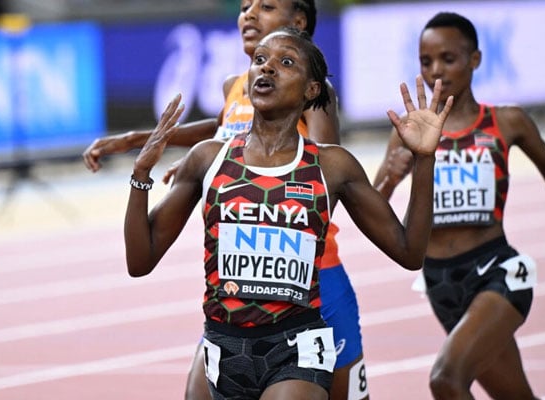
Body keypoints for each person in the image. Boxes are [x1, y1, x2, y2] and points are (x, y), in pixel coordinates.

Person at [124, 27, 452, 399]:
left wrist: (424, 159)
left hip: (297, 347)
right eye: (259, 60)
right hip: (224, 348)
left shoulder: (332, 166)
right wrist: (140, 176)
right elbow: (140, 260)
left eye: (285, 63)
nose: (266, 69)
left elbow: (409, 252)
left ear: (312, 89)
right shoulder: (208, 158)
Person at [83, 2, 368, 399]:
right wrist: (143, 141)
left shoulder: (312, 95)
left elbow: (324, 168)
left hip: (314, 274)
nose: (249, 15)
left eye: (265, 6)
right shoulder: (236, 85)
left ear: (298, 22)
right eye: (243, 7)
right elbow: (222, 134)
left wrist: (263, 188)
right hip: (240, 292)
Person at [373, 12, 545, 400]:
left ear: (475, 60)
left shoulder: (507, 121)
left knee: (446, 379)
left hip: (497, 272)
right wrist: (391, 176)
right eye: (426, 61)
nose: (436, 70)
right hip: (440, 283)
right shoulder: (408, 134)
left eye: (448, 59)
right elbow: (372, 207)